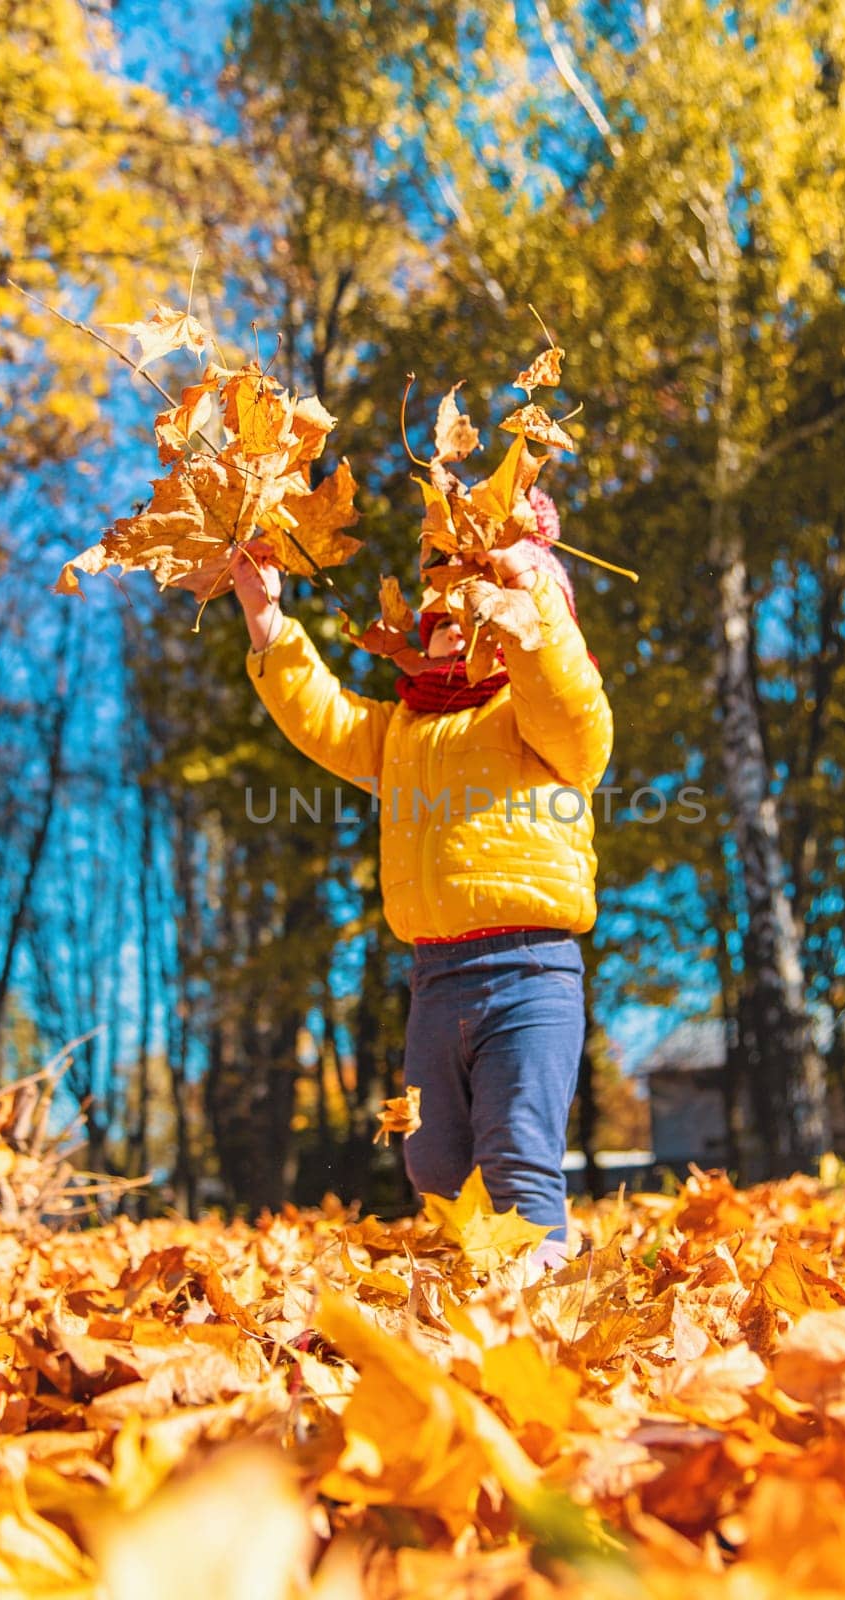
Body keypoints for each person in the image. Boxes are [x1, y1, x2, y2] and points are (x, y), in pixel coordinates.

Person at [231, 489, 613, 1270]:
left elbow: (561, 690)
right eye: (434, 621)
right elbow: (323, 717)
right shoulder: (401, 732)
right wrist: (265, 619)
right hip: (436, 980)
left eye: (468, 618)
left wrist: (528, 588)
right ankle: (465, 1286)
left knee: (515, 1149)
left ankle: (543, 1292)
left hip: (532, 972)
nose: (445, 631)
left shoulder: (540, 721)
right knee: (433, 1163)